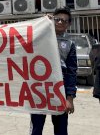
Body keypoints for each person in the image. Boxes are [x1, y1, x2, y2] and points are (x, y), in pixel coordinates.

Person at [30, 7, 78, 135]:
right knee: (36, 128)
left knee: (61, 130)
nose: (60, 22)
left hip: (59, 92)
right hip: (39, 90)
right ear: (52, 20)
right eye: (57, 19)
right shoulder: (38, 37)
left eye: (64, 21)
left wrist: (70, 98)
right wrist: (42, 22)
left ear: (69, 24)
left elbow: (71, 72)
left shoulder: (70, 44)